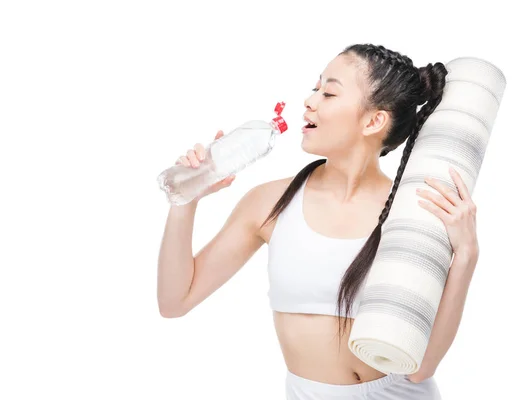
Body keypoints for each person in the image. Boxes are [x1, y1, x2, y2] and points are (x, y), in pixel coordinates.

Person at [158, 43, 479, 399]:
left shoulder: (411, 212)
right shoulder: (270, 204)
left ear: (374, 121)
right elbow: (175, 302)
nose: (310, 101)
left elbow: (422, 368)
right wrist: (184, 200)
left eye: (329, 92)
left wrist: (465, 254)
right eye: (315, 88)